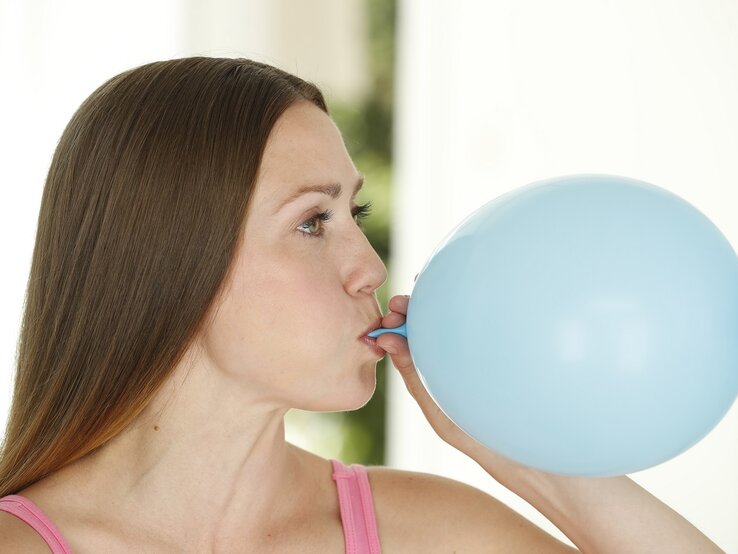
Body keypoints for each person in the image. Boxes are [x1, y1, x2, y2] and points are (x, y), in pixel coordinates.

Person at [0, 57, 723, 553]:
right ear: (169, 256)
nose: (370, 267)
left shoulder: (423, 531)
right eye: (313, 222)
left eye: (357, 214)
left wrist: (529, 458)